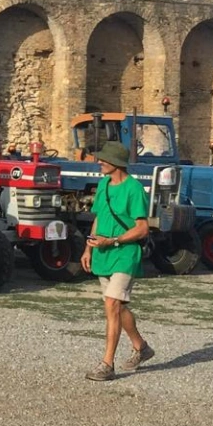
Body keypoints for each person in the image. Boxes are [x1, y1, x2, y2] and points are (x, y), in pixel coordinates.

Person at [80, 140, 155, 381]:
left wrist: (113, 240)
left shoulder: (134, 189)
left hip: (125, 253)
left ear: (116, 162)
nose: (99, 162)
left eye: (104, 159)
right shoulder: (103, 185)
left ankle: (107, 364)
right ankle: (141, 347)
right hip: (102, 254)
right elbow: (99, 219)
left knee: (112, 303)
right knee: (118, 307)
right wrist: (88, 248)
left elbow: (142, 229)